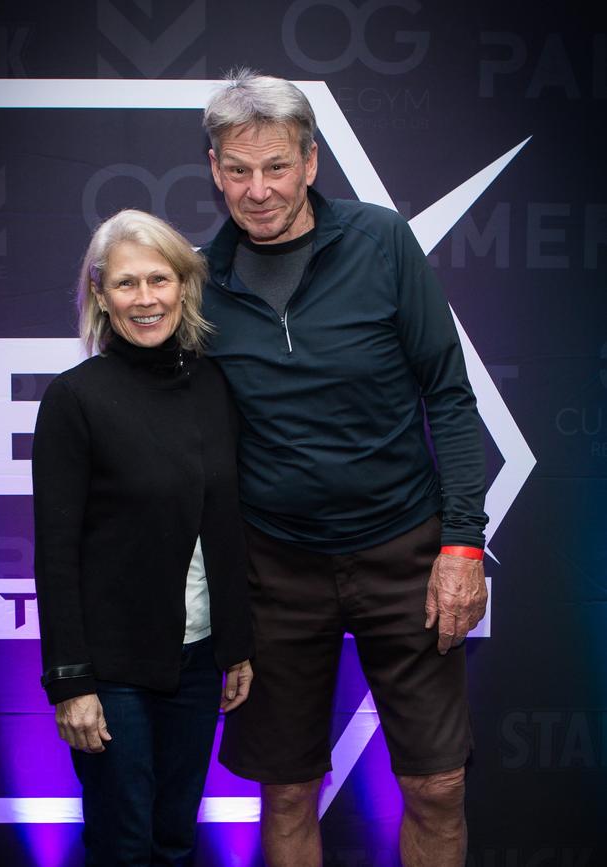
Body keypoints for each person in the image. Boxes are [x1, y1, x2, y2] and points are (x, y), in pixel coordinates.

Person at [201, 70, 488, 867]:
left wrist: (462, 544)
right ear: (215, 168)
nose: (258, 190)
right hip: (275, 567)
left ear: (311, 162)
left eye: (277, 166)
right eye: (237, 169)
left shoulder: (382, 240)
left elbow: (450, 398)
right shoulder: (197, 283)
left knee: (437, 786)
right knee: (287, 790)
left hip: (406, 553)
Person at [32, 208, 254, 866]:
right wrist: (71, 681)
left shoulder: (214, 385)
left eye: (160, 278)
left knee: (176, 837)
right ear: (99, 293)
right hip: (112, 669)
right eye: (126, 283)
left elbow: (226, 520)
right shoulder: (75, 399)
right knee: (124, 842)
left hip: (198, 659)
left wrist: (236, 644)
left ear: (184, 286)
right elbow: (55, 550)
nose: (146, 298)